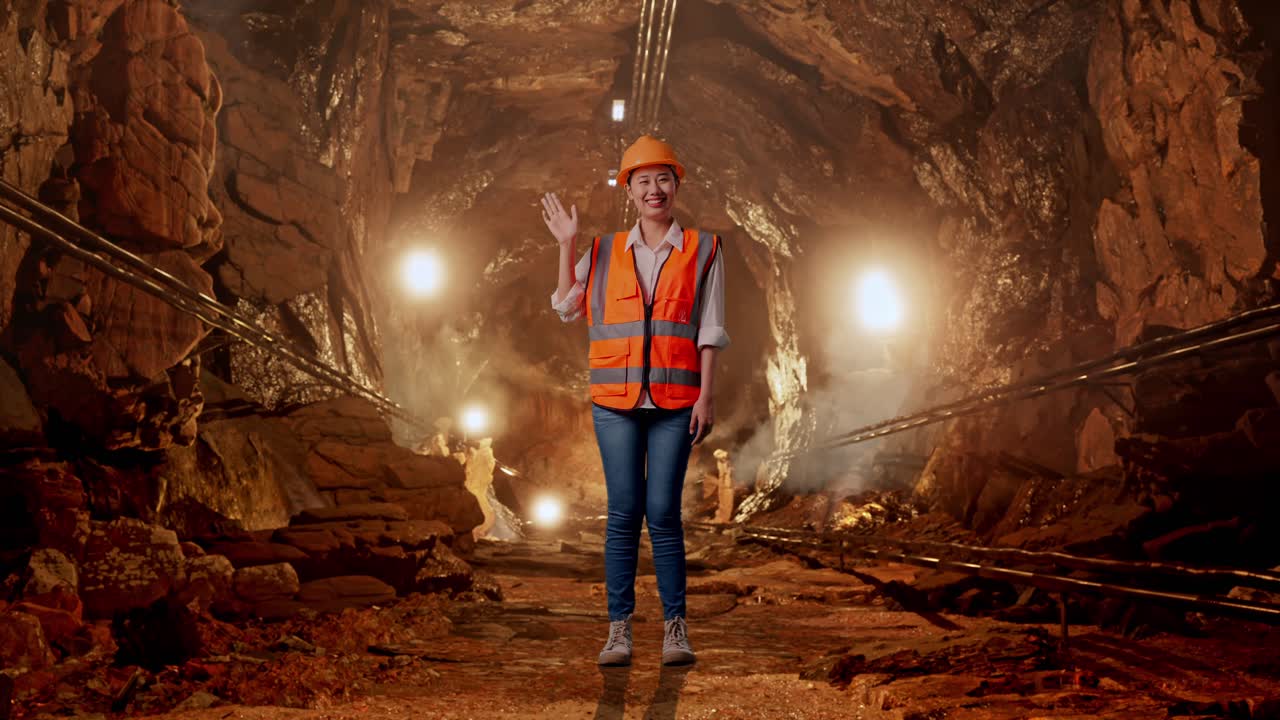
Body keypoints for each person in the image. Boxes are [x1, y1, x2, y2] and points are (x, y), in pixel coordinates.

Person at [542, 135, 729, 667]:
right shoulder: (601, 251)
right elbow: (564, 309)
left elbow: (711, 329)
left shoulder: (705, 250)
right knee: (623, 514)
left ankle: (675, 629)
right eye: (642, 180)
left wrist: (706, 398)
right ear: (629, 190)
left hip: (675, 401)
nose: (654, 189)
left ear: (676, 186)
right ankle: (618, 630)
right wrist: (566, 245)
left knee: (663, 514)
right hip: (615, 402)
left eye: (663, 179)